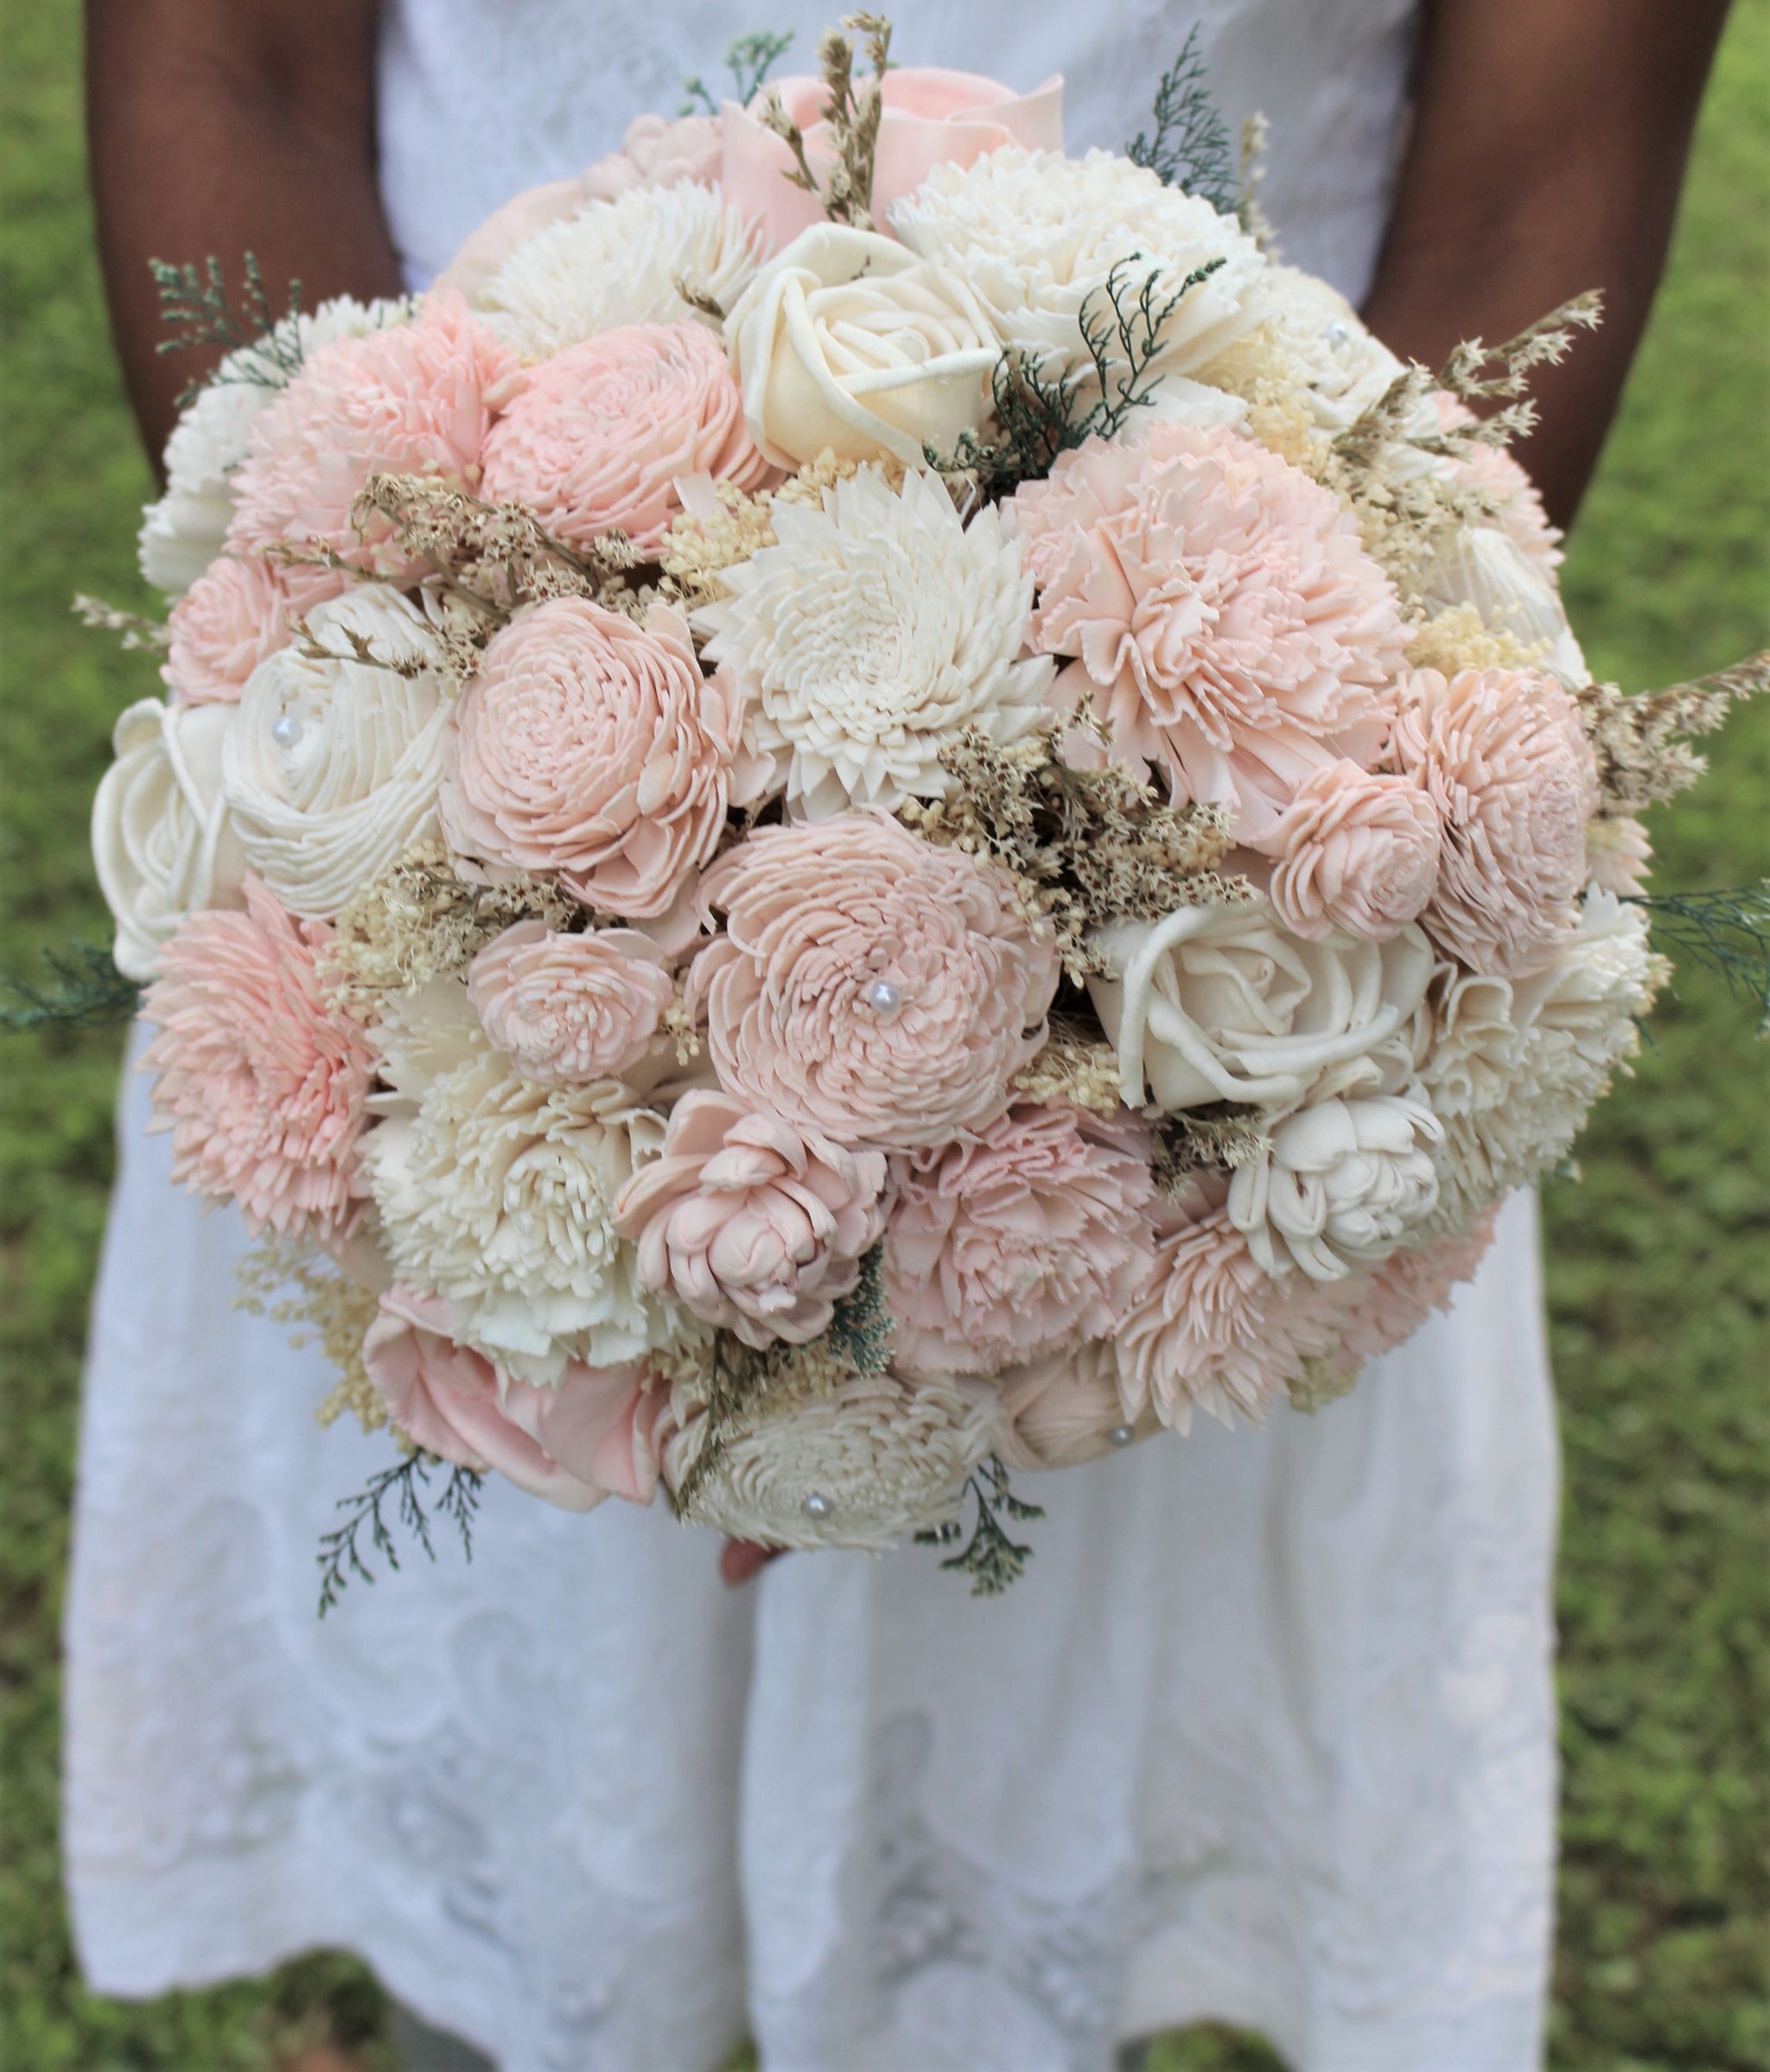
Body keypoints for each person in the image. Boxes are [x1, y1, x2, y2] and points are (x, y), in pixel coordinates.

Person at [69, 4, 1729, 2069]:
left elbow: (1519, 201)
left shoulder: (1215, 977)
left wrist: (1206, 915)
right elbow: (230, 69)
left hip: (1201, 960)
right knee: (528, 1901)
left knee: (1035, 1875)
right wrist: (392, 715)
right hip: (468, 915)